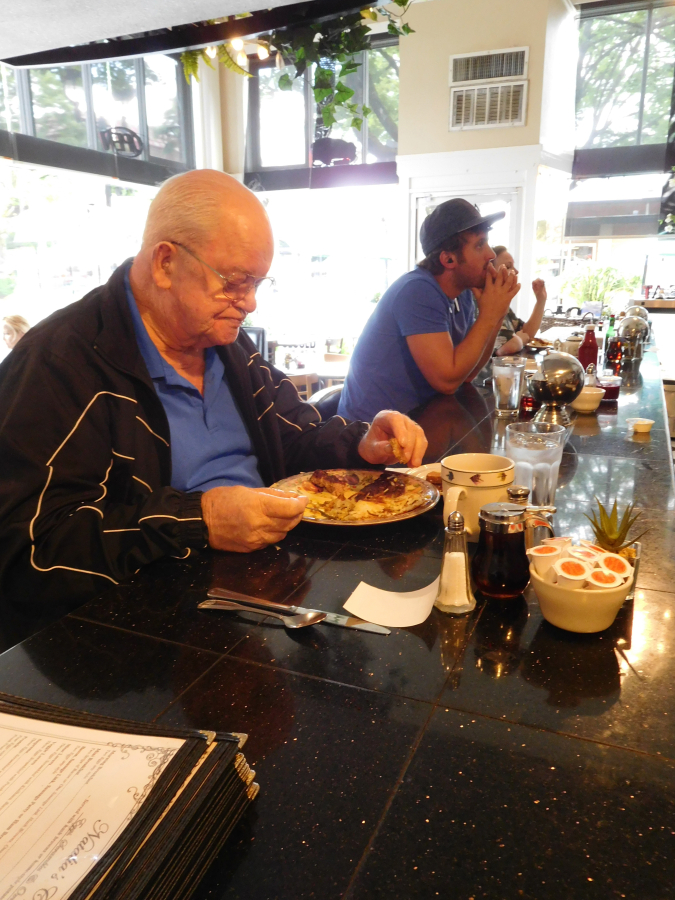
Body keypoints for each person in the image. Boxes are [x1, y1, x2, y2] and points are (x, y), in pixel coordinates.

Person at [0, 170, 426, 611]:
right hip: (146, 628)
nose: (251, 302)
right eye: (235, 281)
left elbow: (292, 436)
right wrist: (198, 520)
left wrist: (360, 443)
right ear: (166, 263)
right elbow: (30, 546)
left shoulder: (225, 344)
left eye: (258, 283)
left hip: (266, 585)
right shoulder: (60, 364)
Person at [338, 198, 520, 421]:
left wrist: (497, 312)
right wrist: (490, 314)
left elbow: (467, 373)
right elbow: (447, 381)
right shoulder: (417, 291)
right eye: (479, 245)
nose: (491, 254)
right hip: (367, 436)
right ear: (448, 258)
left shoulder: (462, 295)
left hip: (418, 421)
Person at [491, 247, 547, 356]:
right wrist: (518, 340)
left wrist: (541, 300)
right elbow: (505, 347)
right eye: (508, 266)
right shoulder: (481, 305)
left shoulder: (502, 305)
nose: (516, 271)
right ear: (490, 272)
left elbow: (526, 333)